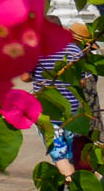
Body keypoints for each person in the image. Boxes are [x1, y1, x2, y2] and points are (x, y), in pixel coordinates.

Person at [23, 20, 86, 187]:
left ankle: (73, 185)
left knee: (60, 155)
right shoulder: (74, 49)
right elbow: (82, 82)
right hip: (74, 112)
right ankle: (73, 183)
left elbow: (24, 77)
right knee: (72, 154)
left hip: (48, 114)